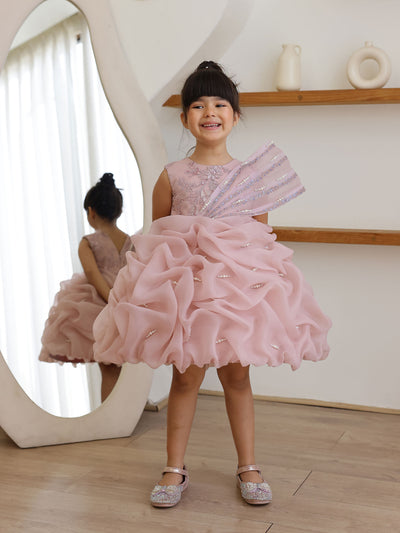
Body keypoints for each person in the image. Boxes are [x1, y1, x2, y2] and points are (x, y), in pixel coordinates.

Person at [93, 61, 332, 507]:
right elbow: (160, 238)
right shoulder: (171, 175)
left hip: (234, 295)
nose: (210, 112)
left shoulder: (250, 177)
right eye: (199, 105)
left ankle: (249, 465)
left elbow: (258, 237)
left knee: (237, 377)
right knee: (185, 379)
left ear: (235, 116)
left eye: (220, 104)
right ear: (185, 118)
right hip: (189, 298)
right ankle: (174, 468)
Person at [39, 173, 133, 402]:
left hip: (99, 306)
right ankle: (120, 412)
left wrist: (111, 300)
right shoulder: (130, 241)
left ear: (91, 212)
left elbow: (92, 275)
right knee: (116, 366)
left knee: (108, 367)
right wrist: (122, 300)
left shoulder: (88, 242)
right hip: (127, 303)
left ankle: (110, 416)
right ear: (119, 211)